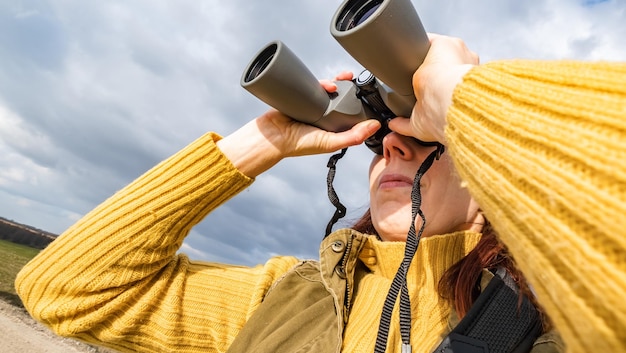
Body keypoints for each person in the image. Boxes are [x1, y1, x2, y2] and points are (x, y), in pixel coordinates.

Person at [15, 34, 626, 353]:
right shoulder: (292, 297)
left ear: (494, 182)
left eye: (425, 136)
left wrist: (458, 94)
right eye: (380, 138)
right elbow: (67, 289)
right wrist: (266, 140)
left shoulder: (561, 324)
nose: (391, 146)